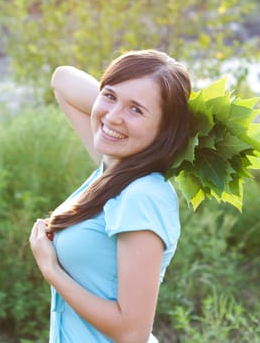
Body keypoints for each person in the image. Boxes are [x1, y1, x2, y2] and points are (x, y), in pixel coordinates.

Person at [29, 49, 192, 343]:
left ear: (164, 129)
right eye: (110, 95)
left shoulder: (143, 195)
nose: (115, 116)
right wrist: (112, 111)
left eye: (136, 110)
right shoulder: (114, 169)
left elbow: (132, 333)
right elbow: (62, 80)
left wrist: (51, 270)